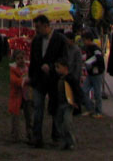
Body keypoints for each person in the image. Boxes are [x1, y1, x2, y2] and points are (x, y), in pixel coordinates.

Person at [28, 14, 69, 147]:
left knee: (55, 108)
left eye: (38, 27)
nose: (36, 30)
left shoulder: (60, 40)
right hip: (39, 79)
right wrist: (31, 77)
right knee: (37, 107)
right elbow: (33, 60)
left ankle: (56, 136)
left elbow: (64, 59)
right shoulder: (36, 40)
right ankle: (37, 136)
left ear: (46, 26)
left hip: (54, 79)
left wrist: (52, 67)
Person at [53, 57, 82, 150]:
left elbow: (77, 91)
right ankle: (65, 141)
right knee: (58, 123)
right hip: (60, 104)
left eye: (58, 67)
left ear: (65, 67)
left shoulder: (70, 79)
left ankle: (71, 141)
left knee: (67, 123)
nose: (57, 69)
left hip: (68, 104)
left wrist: (76, 102)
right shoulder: (58, 78)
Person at [81, 28, 105, 116]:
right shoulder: (87, 48)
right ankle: (90, 108)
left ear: (88, 40)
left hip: (97, 73)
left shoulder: (95, 49)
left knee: (97, 93)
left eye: (84, 40)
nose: (83, 42)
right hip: (90, 73)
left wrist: (91, 62)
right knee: (84, 90)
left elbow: (99, 59)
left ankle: (99, 111)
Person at [9, 49, 32, 142]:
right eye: (18, 59)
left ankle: (30, 134)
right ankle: (14, 135)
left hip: (27, 95)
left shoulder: (28, 68)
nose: (20, 60)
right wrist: (24, 81)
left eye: (22, 58)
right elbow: (14, 80)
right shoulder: (13, 69)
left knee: (29, 115)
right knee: (15, 117)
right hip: (16, 95)